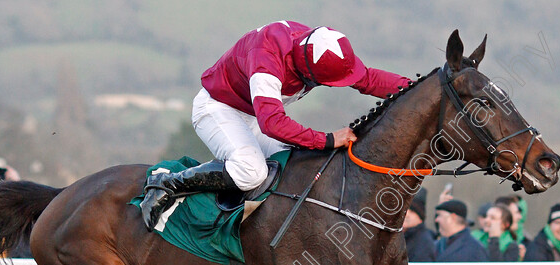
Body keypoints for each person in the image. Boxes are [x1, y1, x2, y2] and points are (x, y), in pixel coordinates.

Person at [139, 21, 410, 229]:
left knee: (302, 167)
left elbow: (368, 79)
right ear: (307, 71)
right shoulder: (267, 59)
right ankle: (167, 184)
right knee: (250, 171)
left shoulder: (322, 49)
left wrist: (422, 89)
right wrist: (327, 140)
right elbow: (272, 124)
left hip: (255, 114)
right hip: (219, 109)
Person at [403, 189, 436, 262]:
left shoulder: (424, 242)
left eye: (412, 211)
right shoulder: (401, 237)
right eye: (404, 210)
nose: (406, 214)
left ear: (420, 217)